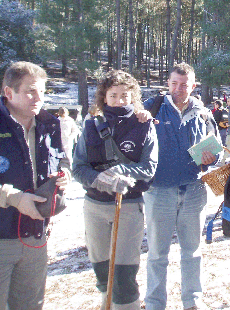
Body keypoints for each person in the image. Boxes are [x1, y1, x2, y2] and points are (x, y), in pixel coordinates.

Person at [72, 70, 158, 310]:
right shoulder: (90, 126)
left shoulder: (144, 125)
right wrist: (103, 180)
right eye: (113, 95)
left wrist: (122, 175)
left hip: (129, 206)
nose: (120, 100)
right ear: (104, 97)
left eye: (125, 95)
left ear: (133, 96)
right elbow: (78, 168)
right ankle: (107, 304)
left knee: (123, 272)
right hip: (95, 206)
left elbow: (149, 168)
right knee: (102, 269)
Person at [141, 63, 220, 310]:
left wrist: (212, 158)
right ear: (168, 83)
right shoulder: (151, 109)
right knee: (156, 255)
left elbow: (214, 146)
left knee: (192, 252)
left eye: (184, 84)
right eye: (174, 83)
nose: (178, 89)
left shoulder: (202, 112)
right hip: (159, 191)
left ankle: (193, 301)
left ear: (193, 86)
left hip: (194, 190)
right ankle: (154, 304)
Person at [0, 61, 71, 310]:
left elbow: (62, 162)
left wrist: (64, 177)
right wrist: (11, 196)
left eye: (42, 90)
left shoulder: (49, 125)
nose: (38, 97)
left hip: (35, 238)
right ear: (9, 93)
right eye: (30, 91)